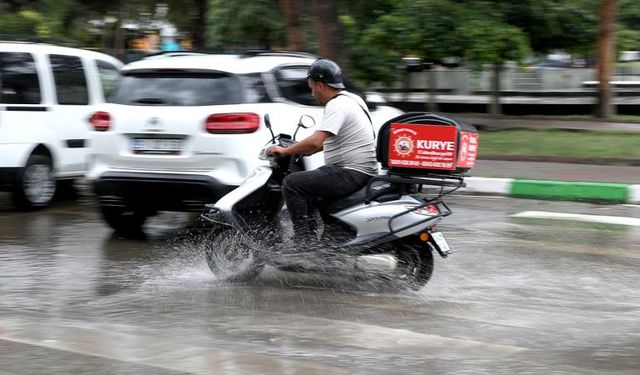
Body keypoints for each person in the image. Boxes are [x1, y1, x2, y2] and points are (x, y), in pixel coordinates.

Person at [267, 58, 377, 244]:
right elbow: (322, 144)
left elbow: (316, 141)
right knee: (310, 184)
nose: (312, 94)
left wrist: (285, 151)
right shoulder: (353, 99)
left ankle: (303, 243)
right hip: (359, 170)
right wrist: (300, 149)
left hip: (350, 172)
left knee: (292, 183)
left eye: (311, 88)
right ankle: (324, 242)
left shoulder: (337, 105)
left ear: (320, 85)